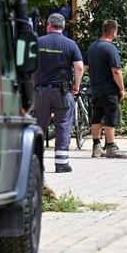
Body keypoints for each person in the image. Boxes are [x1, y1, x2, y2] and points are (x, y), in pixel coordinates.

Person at [33, 13, 84, 173]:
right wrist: (76, 85)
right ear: (63, 26)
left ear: (48, 25)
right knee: (63, 125)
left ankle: (36, 163)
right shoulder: (70, 44)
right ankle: (61, 163)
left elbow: (28, 67)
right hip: (63, 92)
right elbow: (80, 67)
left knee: (39, 126)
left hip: (41, 91)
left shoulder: (38, 42)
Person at [87, 20, 127, 159]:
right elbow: (116, 71)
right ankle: (111, 147)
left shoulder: (92, 47)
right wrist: (122, 89)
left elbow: (87, 66)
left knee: (97, 116)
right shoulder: (110, 48)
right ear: (114, 32)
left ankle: (96, 147)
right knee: (111, 117)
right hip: (109, 89)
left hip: (95, 88)